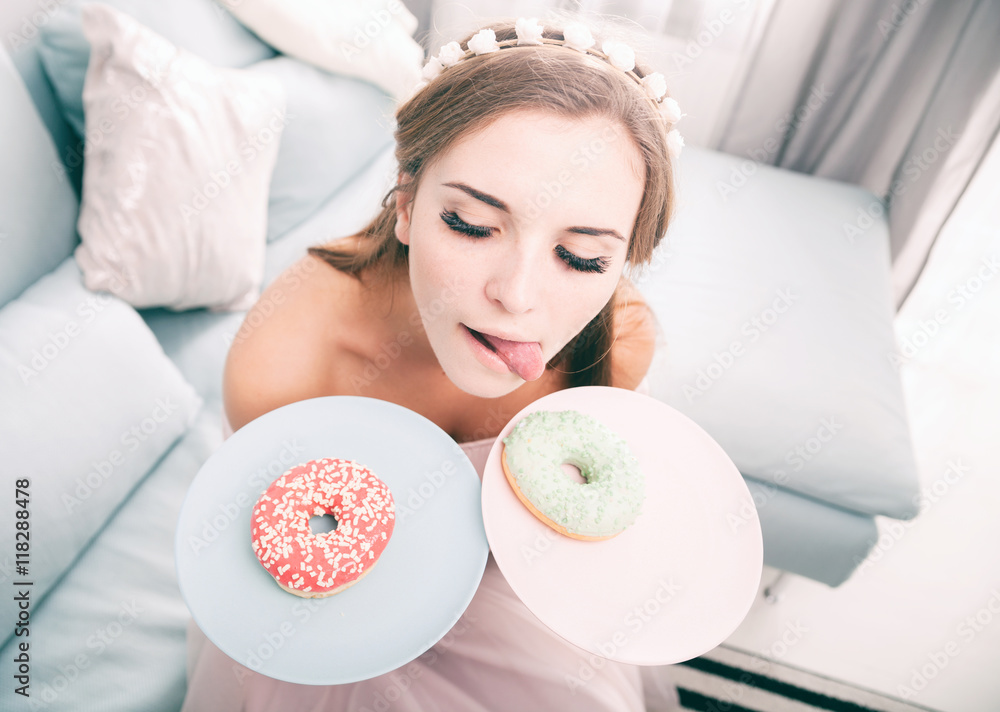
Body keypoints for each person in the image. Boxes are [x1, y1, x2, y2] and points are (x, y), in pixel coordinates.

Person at [182, 14, 682, 712]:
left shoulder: (616, 346)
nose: (516, 295)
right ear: (409, 204)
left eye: (582, 258)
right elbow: (293, 567)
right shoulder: (288, 368)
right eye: (473, 225)